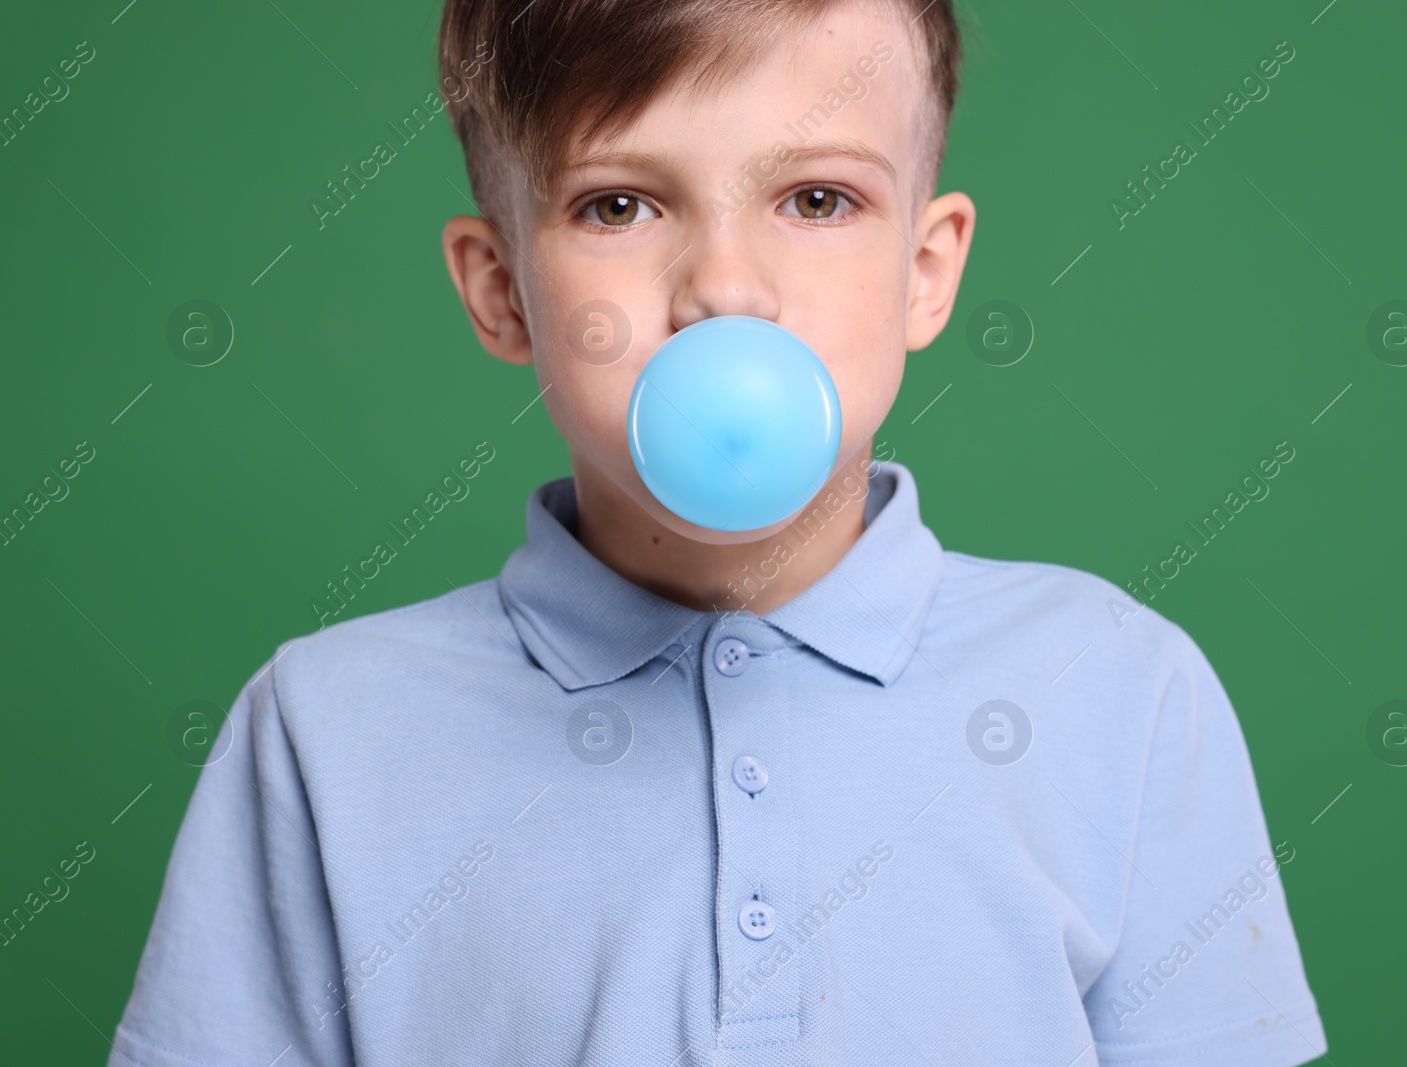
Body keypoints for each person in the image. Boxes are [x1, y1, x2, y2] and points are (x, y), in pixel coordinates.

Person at [108, 1, 1328, 1063]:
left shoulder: (1117, 687)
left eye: (815, 197)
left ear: (926, 267)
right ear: (498, 289)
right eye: (620, 204)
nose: (725, 290)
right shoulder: (327, 732)